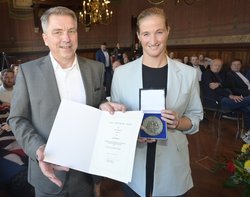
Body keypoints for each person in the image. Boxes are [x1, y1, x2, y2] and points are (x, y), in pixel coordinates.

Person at [7, 6, 124, 197]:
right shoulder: (28, 73)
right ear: (45, 38)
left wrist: (103, 104)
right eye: (57, 32)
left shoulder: (96, 69)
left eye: (71, 31)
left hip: (86, 175)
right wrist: (38, 149)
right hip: (47, 175)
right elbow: (17, 118)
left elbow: (98, 102)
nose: (66, 38)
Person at [111, 7, 203, 197]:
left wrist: (178, 122)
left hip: (173, 165)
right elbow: (115, 120)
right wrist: (131, 133)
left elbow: (195, 117)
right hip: (134, 161)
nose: (153, 41)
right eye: (146, 33)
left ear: (168, 30)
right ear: (138, 36)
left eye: (159, 32)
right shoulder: (121, 74)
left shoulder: (188, 74)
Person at [201, 58, 250, 130]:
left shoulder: (221, 74)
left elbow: (228, 84)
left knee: (248, 108)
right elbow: (215, 89)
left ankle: (247, 131)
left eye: (219, 66)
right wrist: (230, 96)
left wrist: (219, 83)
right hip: (217, 101)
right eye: (215, 65)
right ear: (211, 65)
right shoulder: (206, 74)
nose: (217, 67)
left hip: (225, 98)